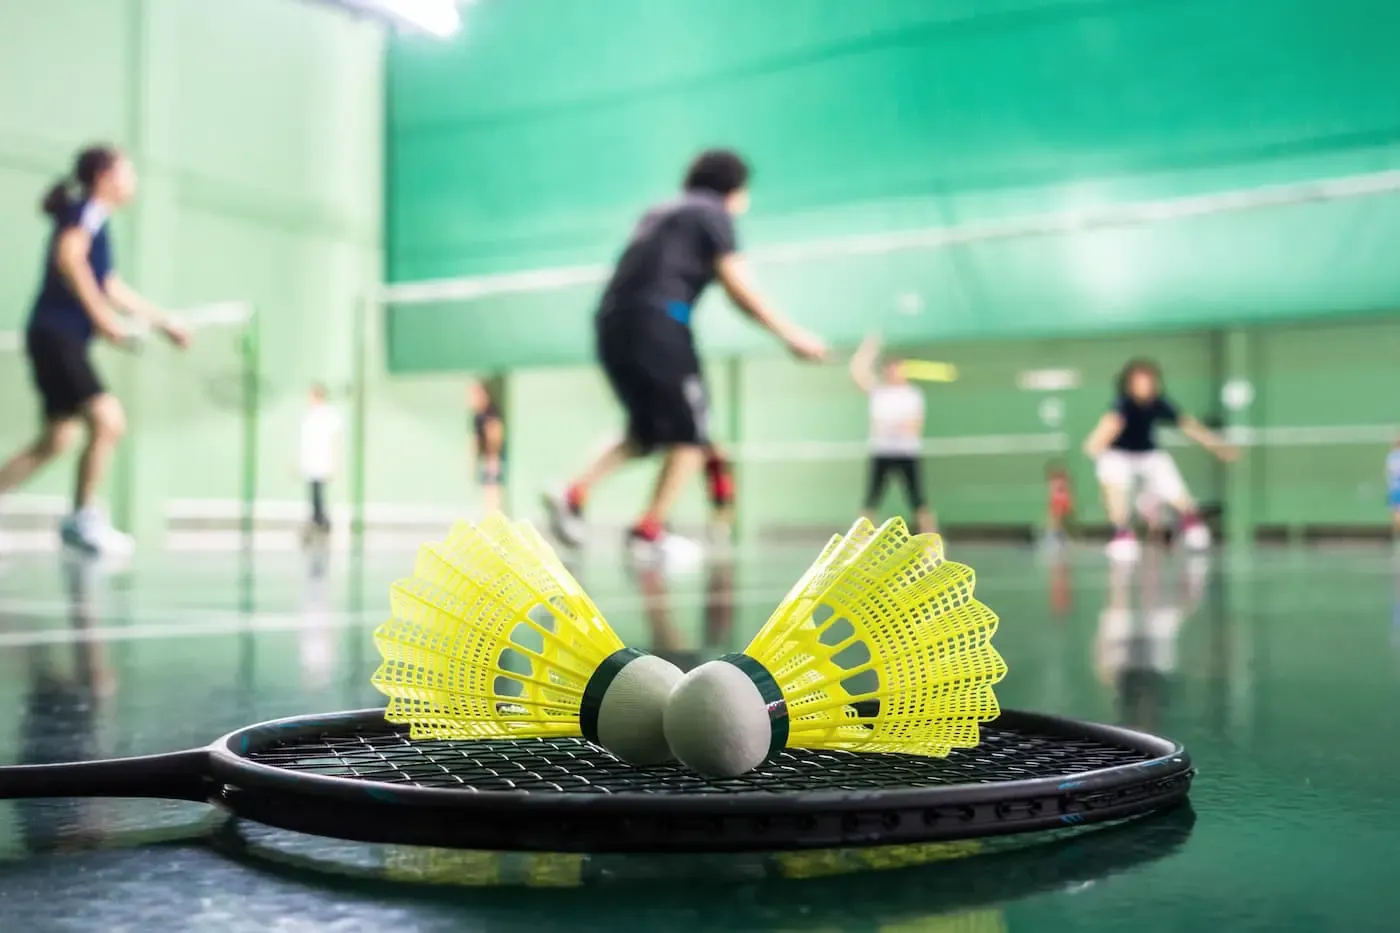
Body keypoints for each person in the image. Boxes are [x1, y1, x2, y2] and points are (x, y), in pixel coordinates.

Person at [544, 149, 828, 564]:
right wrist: (792, 335)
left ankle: (572, 493)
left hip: (611, 323)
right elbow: (740, 288)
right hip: (658, 323)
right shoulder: (713, 214)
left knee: (647, 432)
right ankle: (648, 531)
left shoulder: (659, 212)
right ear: (734, 190)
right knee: (694, 433)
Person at [0, 145, 189, 555]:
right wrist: (103, 320)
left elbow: (110, 286)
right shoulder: (86, 211)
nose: (133, 181)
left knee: (57, 439)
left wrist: (163, 321)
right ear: (105, 177)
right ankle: (82, 519)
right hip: (57, 335)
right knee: (108, 420)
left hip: (55, 336)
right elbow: (70, 259)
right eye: (128, 171)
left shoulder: (97, 221)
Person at [1082, 359, 1237, 562]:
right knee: (1112, 479)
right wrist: (1095, 444)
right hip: (1118, 455)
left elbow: (1188, 425)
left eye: (1148, 381)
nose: (1145, 386)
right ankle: (1121, 533)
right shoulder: (1122, 405)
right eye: (1139, 382)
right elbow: (1106, 428)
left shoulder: (1159, 404)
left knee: (1171, 482)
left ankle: (1191, 523)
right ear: (1129, 385)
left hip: (1148, 455)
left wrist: (1217, 446)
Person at [849, 333, 935, 534]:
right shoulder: (878, 391)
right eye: (892, 368)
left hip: (907, 453)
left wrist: (897, 427)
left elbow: (915, 425)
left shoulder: (913, 395)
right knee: (871, 500)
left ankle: (932, 541)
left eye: (899, 368)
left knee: (918, 500)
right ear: (886, 371)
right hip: (881, 452)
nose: (896, 372)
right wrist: (868, 347)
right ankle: (860, 542)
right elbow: (856, 372)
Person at [299, 383, 341, 543]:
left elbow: (335, 439)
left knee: (318, 493)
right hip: (311, 461)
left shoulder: (329, 416)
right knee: (313, 492)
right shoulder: (308, 416)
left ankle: (321, 521)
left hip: (322, 460)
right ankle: (318, 520)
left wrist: (335, 462)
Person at [469, 378, 506, 516]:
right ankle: (490, 517)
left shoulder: (491, 412)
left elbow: (496, 435)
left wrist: (493, 458)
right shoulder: (477, 416)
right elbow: (476, 440)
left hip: (493, 459)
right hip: (486, 459)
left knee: (493, 492)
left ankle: (495, 518)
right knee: (487, 492)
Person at [1387, 435, 1400, 541]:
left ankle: (1397, 536)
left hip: (1394, 487)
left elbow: (1389, 472)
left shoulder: (1391, 457)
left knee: (1395, 512)